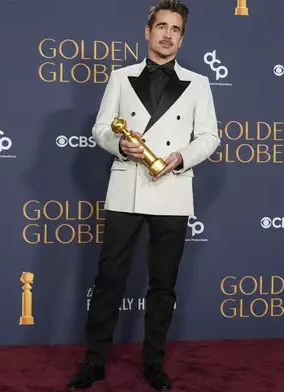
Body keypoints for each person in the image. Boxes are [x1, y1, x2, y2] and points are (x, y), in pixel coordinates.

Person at [67, 0, 220, 390]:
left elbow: (209, 137)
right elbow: (101, 128)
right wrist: (120, 145)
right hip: (126, 189)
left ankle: (154, 364)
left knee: (163, 284)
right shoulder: (120, 77)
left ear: (182, 37)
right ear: (147, 31)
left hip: (171, 190)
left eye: (176, 29)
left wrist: (181, 156)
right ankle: (95, 361)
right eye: (162, 26)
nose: (168, 34)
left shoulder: (199, 83)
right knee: (109, 279)